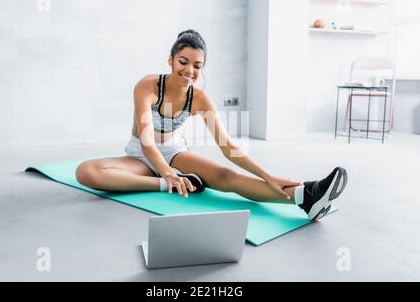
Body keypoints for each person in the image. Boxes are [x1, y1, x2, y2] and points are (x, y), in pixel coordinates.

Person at [75, 29, 347, 221]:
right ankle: (165, 183)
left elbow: (229, 147)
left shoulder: (200, 98)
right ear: (170, 60)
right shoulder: (148, 86)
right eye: (183, 62)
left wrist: (268, 175)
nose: (189, 71)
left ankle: (306, 196)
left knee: (228, 178)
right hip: (140, 154)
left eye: (197, 65)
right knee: (86, 172)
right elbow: (147, 142)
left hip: (174, 152)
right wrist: (167, 175)